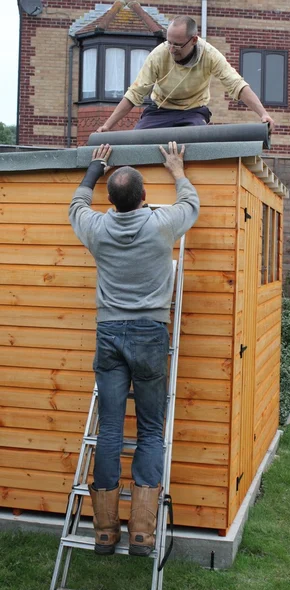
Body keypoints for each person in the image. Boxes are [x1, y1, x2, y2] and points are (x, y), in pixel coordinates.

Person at [68, 141, 200, 557]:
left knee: (108, 430)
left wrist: (94, 169)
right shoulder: (161, 223)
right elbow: (192, 203)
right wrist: (177, 170)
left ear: (111, 199)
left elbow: (76, 206)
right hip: (149, 333)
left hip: (108, 334)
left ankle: (105, 533)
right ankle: (142, 534)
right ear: (144, 198)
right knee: (149, 430)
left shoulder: (96, 228)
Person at [96, 15, 274, 133]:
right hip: (160, 110)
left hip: (193, 112)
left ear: (194, 40)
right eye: (169, 42)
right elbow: (135, 93)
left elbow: (237, 84)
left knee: (198, 141)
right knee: (137, 141)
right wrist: (107, 125)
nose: (172, 49)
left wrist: (263, 114)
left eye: (178, 45)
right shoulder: (159, 55)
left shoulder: (209, 55)